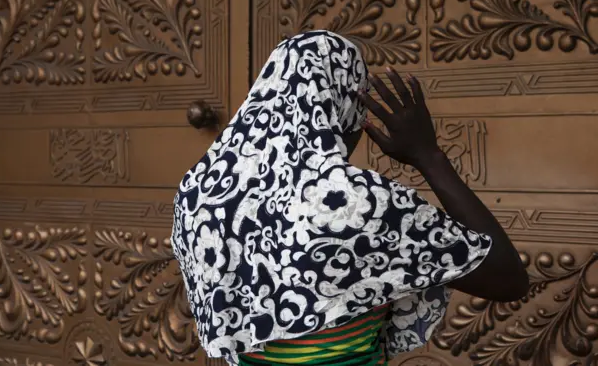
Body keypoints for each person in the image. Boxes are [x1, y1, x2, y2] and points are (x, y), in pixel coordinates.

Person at [172, 30, 528, 366]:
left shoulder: (197, 197)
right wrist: (428, 156)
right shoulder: (351, 203)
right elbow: (506, 278)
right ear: (343, 108)